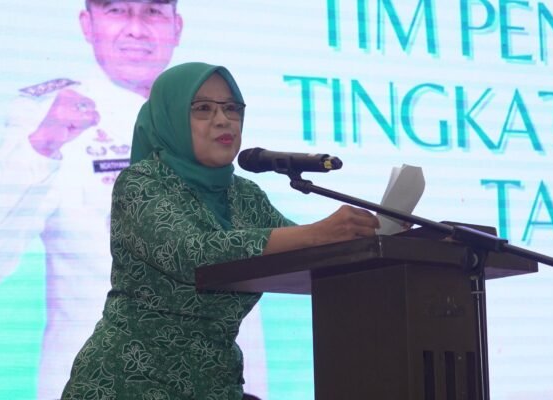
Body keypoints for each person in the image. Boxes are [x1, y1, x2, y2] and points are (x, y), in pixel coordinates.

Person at [61, 62, 380, 399]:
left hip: (214, 382)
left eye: (232, 108)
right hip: (129, 379)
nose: (223, 119)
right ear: (170, 118)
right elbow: (191, 253)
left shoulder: (245, 195)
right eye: (202, 109)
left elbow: (305, 254)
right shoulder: (142, 183)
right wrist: (318, 233)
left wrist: (381, 237)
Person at [0, 1, 194, 399]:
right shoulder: (52, 113)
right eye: (117, 10)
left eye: (153, 11)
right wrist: (43, 144)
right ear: (87, 23)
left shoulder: (216, 115)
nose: (136, 28)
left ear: (176, 26)